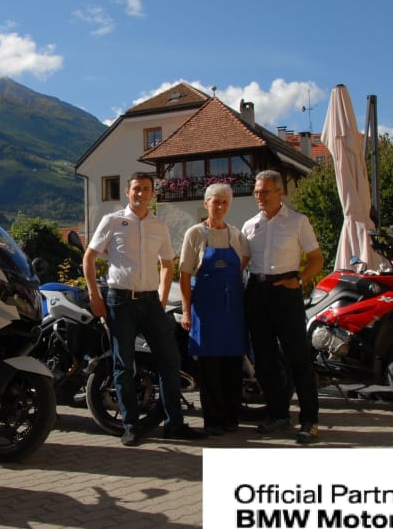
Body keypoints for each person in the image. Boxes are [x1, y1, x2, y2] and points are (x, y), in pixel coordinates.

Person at [83, 171, 206, 446]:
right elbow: (89, 258)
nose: (141, 193)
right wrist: (94, 294)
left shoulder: (159, 226)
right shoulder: (112, 221)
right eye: (136, 188)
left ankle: (175, 424)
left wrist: (161, 300)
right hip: (119, 300)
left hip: (150, 301)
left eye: (146, 189)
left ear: (152, 194)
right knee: (124, 364)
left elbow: (167, 265)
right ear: (128, 192)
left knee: (170, 362)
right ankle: (130, 425)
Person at [241, 170, 324, 445]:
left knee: (298, 358)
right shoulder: (249, 225)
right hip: (256, 292)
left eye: (265, 191)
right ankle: (278, 415)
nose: (259, 197)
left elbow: (316, 259)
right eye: (256, 192)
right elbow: (242, 262)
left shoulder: (298, 222)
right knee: (264, 360)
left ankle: (309, 421)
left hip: (286, 292)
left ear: (280, 192)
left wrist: (299, 279)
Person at [179, 182, 250, 435]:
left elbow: (243, 261)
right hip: (205, 312)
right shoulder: (195, 234)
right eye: (215, 201)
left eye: (224, 202)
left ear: (229, 205)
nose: (219, 206)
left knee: (232, 367)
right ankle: (213, 421)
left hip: (232, 311)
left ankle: (232, 419)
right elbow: (185, 275)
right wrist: (186, 311)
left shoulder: (236, 235)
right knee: (210, 369)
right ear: (206, 203)